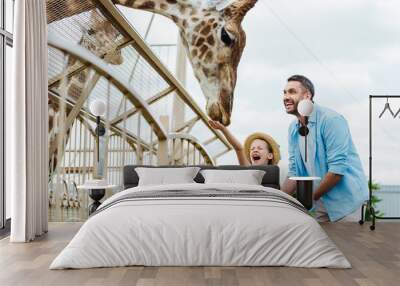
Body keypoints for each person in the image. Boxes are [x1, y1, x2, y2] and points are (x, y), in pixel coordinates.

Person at [280, 75, 368, 222]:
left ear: (307, 95)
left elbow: (336, 171)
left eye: (292, 92)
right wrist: (277, 200)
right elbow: (294, 171)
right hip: (321, 201)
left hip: (347, 201)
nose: (286, 97)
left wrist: (309, 199)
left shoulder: (331, 120)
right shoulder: (293, 129)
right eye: (284, 92)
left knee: (347, 245)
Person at [208, 120, 280, 166]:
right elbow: (239, 148)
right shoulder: (248, 169)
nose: (255, 150)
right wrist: (223, 129)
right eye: (252, 149)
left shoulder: (276, 174)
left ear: (270, 156)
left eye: (260, 148)